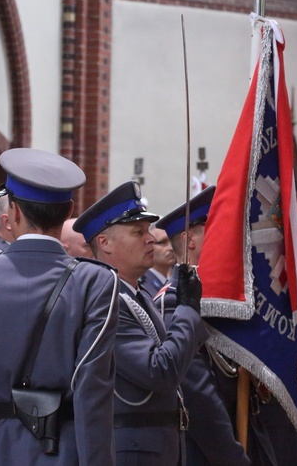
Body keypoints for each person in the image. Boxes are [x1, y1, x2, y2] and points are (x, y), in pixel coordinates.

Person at [0, 148, 119, 465]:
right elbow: (93, 395)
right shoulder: (95, 282)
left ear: (13, 213)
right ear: (69, 211)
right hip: (66, 451)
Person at [74, 181, 208, 466]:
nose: (150, 239)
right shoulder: (106, 302)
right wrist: (187, 310)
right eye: (137, 232)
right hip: (134, 451)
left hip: (158, 448)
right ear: (104, 242)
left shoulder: (137, 294)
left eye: (148, 231)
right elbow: (160, 371)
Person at [154, 186, 250, 465]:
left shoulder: (221, 298)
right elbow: (198, 399)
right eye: (217, 228)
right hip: (204, 453)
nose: (228, 237)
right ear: (189, 240)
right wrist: (234, 458)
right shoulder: (172, 301)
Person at [138, 224, 176, 299]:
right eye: (162, 243)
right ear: (148, 245)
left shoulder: (173, 279)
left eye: (171, 241)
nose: (171, 248)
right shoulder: (142, 283)